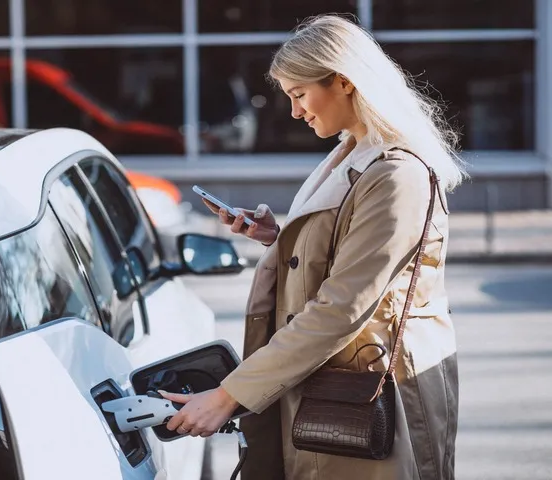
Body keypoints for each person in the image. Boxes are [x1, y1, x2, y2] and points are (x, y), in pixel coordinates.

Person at [160, 14, 464, 480]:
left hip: (371, 394)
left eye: (300, 95)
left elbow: (344, 306)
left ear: (344, 81)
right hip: (337, 385)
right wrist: (281, 239)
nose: (295, 112)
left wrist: (228, 396)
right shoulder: (354, 153)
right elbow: (348, 257)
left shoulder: (396, 172)